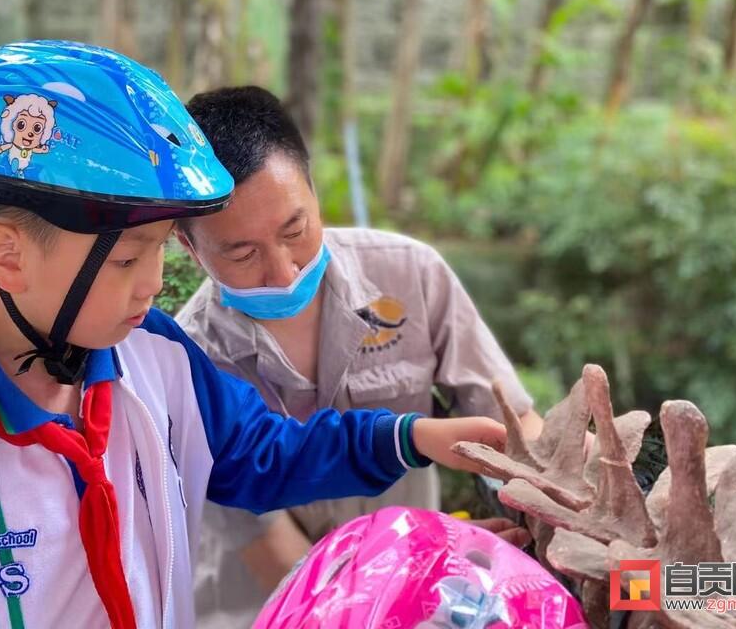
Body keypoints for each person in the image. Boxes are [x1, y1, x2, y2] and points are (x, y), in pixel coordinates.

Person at [0, 42, 507, 629]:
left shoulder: (158, 362)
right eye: (127, 259)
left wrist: (411, 437)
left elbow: (263, 453)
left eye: (160, 252)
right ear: (8, 257)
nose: (154, 284)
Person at [175, 86, 543, 627]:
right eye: (243, 253)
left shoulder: (409, 274)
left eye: (295, 230)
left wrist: (556, 478)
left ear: (313, 191)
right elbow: (264, 541)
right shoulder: (187, 362)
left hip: (423, 592)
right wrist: (408, 572)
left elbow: (509, 426)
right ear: (189, 247)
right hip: (275, 608)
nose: (283, 270)